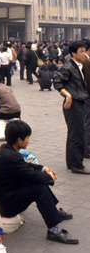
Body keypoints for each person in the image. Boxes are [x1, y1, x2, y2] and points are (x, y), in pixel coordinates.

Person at [0, 120, 78, 244]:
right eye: (27, 137)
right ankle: (54, 230)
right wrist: (49, 177)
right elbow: (31, 175)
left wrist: (44, 169)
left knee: (38, 180)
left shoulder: (7, 150)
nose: (28, 140)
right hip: (7, 205)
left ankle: (52, 211)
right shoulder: (11, 156)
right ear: (19, 140)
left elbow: (26, 166)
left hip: (10, 193)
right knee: (39, 187)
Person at [53, 41, 90, 174]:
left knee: (73, 133)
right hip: (73, 103)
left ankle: (71, 163)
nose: (84, 53)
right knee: (78, 134)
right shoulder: (68, 66)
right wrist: (67, 94)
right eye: (81, 51)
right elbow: (57, 81)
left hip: (78, 101)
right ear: (73, 53)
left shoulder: (78, 66)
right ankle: (77, 165)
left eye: (84, 50)